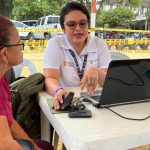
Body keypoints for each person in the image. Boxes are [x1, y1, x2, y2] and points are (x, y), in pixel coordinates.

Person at [43, 1, 111, 110]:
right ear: (63, 28)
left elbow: (109, 83)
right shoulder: (55, 44)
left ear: (88, 25)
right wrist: (58, 90)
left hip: (96, 101)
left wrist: (96, 71)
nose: (78, 28)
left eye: (83, 23)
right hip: (69, 100)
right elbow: (50, 77)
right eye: (71, 24)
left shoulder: (99, 44)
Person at [0, 16, 53, 150]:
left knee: (44, 147)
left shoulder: (2, 80)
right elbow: (5, 144)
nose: (21, 48)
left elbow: (10, 123)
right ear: (4, 54)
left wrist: (35, 148)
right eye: (19, 43)